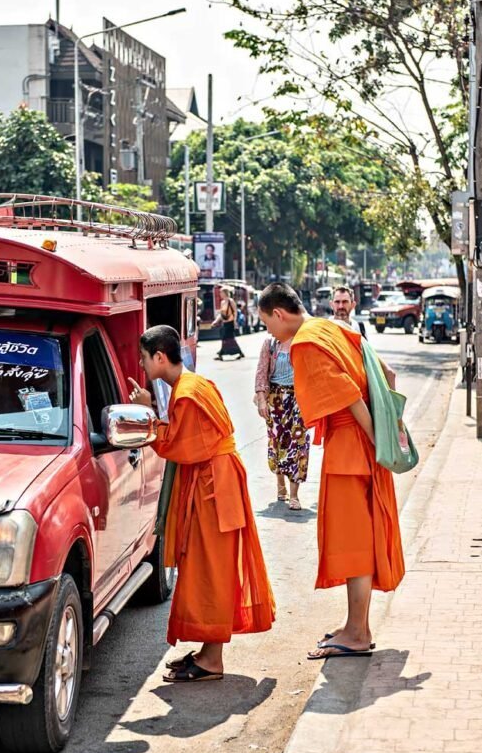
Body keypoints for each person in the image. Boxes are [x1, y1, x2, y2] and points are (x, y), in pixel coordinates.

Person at [258, 283, 404, 659]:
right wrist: (386, 434)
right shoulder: (332, 327)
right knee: (358, 537)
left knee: (353, 542)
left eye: (266, 324)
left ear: (278, 314)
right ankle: (356, 626)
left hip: (350, 450)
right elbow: (387, 374)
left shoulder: (306, 342)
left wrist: (377, 443)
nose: (269, 334)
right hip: (359, 445)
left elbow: (350, 397)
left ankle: (357, 633)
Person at [128, 324, 275, 682]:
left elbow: (177, 446)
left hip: (213, 489)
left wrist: (148, 414)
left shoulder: (187, 394)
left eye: (145, 359)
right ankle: (209, 650)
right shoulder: (193, 384)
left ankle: (213, 660)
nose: (143, 367)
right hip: (213, 482)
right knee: (204, 566)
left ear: (160, 357)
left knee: (210, 568)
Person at [254, 333, 310, 510]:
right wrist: (262, 399)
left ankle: (294, 495)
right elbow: (261, 373)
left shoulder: (304, 340)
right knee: (276, 442)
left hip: (300, 399)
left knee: (298, 444)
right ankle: (281, 487)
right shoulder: (270, 343)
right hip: (276, 399)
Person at [212, 286, 245, 361]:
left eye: (221, 292)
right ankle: (238, 352)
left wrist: (235, 322)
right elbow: (221, 314)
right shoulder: (222, 302)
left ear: (225, 293)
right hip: (225, 323)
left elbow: (235, 312)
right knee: (227, 338)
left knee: (227, 338)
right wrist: (216, 321)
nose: (220, 294)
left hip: (230, 323)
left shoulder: (231, 301)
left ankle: (221, 354)